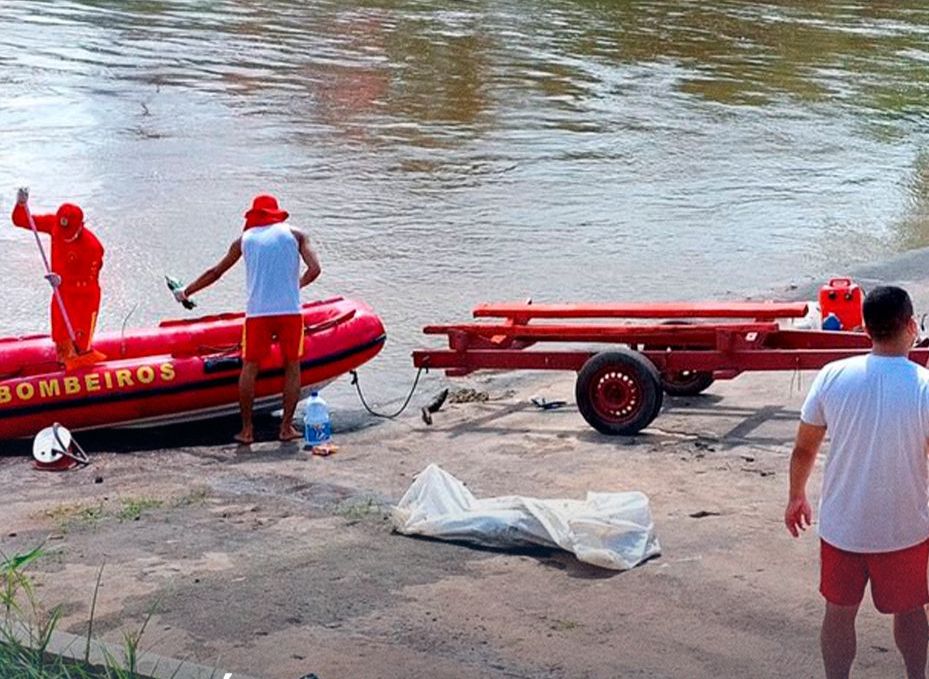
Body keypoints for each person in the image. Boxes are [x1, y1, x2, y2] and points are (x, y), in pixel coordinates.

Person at [785, 285, 929, 679]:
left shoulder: (833, 375)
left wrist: (796, 496)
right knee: (911, 610)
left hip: (844, 527)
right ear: (911, 325)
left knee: (838, 613)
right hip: (905, 528)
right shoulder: (924, 386)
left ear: (865, 329)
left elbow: (804, 449)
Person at [175, 194, 321, 444]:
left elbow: (216, 272)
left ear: (254, 215)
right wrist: (296, 286)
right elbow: (315, 269)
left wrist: (186, 292)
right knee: (292, 365)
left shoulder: (244, 240)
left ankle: (246, 431)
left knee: (250, 367)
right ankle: (286, 428)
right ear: (277, 213)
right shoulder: (296, 235)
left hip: (257, 314)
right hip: (290, 311)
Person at [11, 188, 105, 365]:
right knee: (61, 338)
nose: (65, 238)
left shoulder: (92, 247)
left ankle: (82, 368)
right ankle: (63, 364)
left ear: (80, 226)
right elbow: (22, 220)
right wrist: (21, 204)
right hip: (62, 292)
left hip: (84, 297)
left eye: (69, 235)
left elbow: (89, 281)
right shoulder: (54, 225)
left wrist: (63, 281)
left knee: (80, 345)